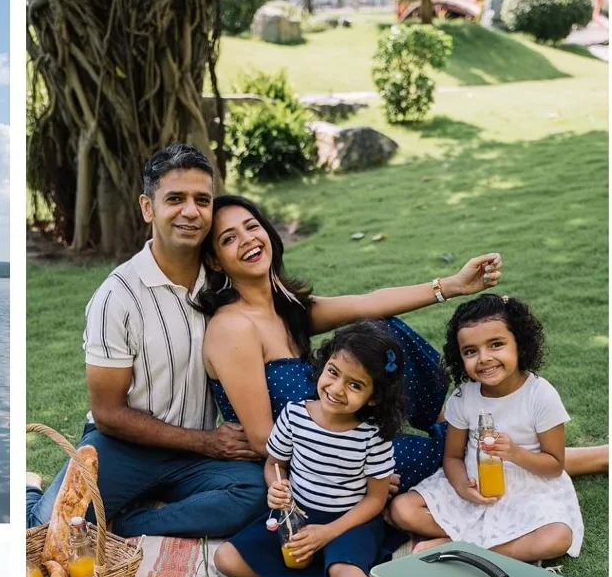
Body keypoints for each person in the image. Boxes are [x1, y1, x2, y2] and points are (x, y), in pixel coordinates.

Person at [199, 194, 608, 494]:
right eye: (229, 239)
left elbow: (370, 303)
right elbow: (262, 439)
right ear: (216, 261)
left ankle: (446, 420)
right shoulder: (233, 328)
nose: (248, 240)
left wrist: (451, 286)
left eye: (252, 227)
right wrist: (355, 477)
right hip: (321, 456)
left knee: (380, 329)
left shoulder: (285, 307)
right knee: (452, 460)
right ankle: (598, 457)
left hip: (344, 424)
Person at [26, 142, 267, 539]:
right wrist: (208, 443)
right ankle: (28, 490)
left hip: (191, 458)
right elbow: (108, 413)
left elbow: (290, 310)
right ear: (148, 208)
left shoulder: (222, 283)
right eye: (175, 198)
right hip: (123, 448)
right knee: (45, 537)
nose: (191, 211)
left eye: (202, 200)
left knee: (256, 492)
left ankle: (127, 523)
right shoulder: (115, 297)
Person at [216, 323, 407, 577]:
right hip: (297, 518)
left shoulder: (372, 436)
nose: (336, 389)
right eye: (333, 373)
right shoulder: (295, 414)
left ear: (374, 397)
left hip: (350, 521)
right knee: (226, 559)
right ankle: (328, 574)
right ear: (323, 366)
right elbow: (275, 464)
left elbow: (375, 500)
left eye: (355, 385)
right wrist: (276, 488)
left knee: (343, 572)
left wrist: (329, 533)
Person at [389, 295, 584, 561]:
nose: (484, 358)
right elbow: (453, 457)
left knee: (557, 538)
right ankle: (480, 537)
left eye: (496, 344)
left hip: (527, 487)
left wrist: (515, 453)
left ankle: (462, 546)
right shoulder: (463, 397)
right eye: (470, 351)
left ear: (520, 344)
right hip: (475, 482)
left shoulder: (540, 395)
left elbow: (554, 465)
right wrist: (462, 487)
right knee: (403, 509)